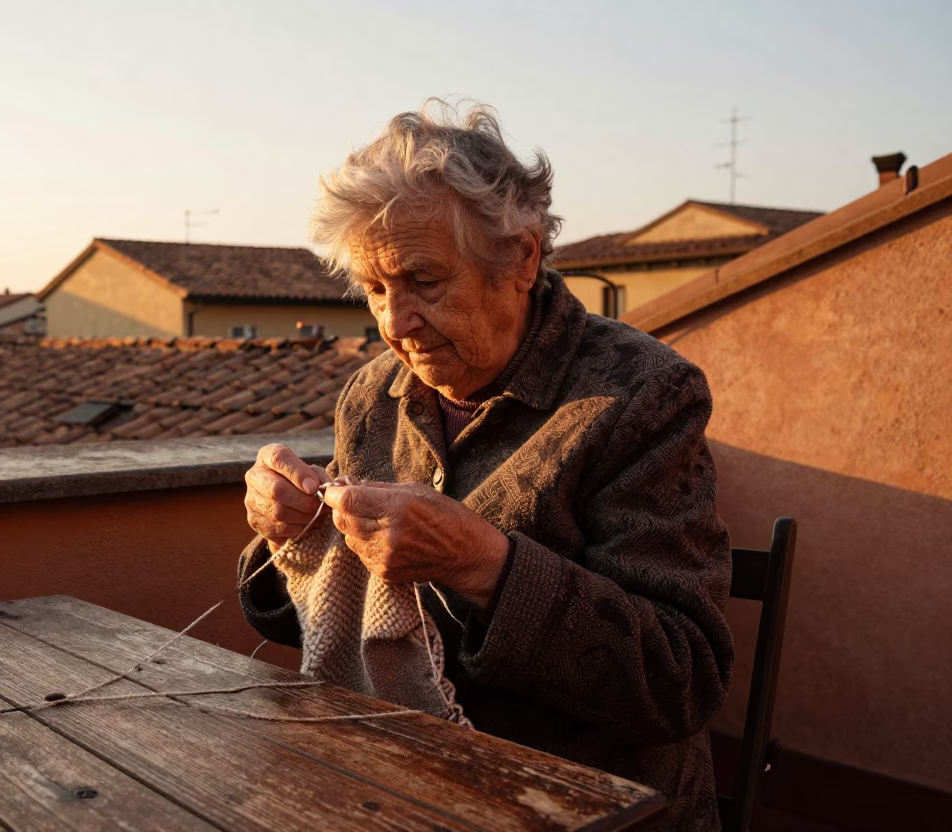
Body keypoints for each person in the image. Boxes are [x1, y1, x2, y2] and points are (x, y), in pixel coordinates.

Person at [238, 101, 733, 832]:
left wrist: (485, 566)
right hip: (402, 785)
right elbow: (309, 624)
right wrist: (286, 533)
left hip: (591, 806)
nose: (396, 323)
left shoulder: (642, 395)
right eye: (376, 290)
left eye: (424, 280)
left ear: (521, 259)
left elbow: (679, 679)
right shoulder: (374, 396)